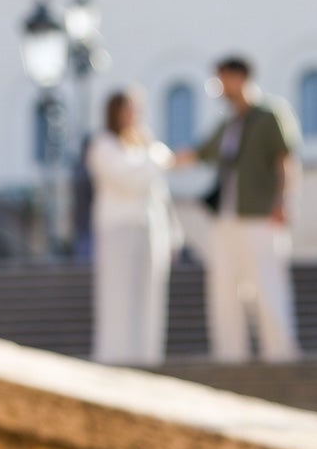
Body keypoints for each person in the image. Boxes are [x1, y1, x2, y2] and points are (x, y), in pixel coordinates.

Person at [183, 55, 301, 363]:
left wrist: (282, 202)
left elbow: (285, 160)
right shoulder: (228, 123)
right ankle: (230, 355)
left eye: (222, 79)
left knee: (268, 285)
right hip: (227, 216)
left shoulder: (270, 114)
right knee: (224, 288)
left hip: (260, 214)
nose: (219, 87)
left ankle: (279, 354)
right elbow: (199, 153)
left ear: (239, 77)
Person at [87, 90, 176, 366]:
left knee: (149, 298)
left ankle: (146, 357)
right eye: (127, 109)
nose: (132, 116)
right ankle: (116, 357)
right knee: (118, 297)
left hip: (148, 230)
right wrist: (156, 158)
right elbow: (128, 181)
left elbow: (159, 195)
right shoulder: (103, 146)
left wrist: (173, 233)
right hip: (118, 229)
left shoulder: (143, 146)